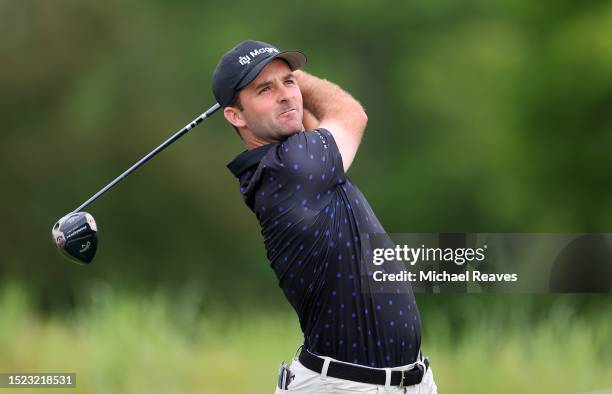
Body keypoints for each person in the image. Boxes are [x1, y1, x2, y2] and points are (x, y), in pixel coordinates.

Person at [213, 40, 437, 393]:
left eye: (288, 82)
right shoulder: (291, 168)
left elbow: (316, 130)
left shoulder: (294, 163)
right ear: (235, 115)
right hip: (345, 386)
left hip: (402, 382)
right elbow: (352, 115)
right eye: (264, 89)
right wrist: (300, 78)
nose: (286, 94)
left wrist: (285, 91)